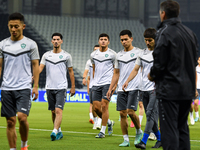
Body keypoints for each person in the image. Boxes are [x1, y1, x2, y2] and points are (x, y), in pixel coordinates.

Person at [148, 1, 198, 150]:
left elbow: (159, 61)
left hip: (169, 90)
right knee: (182, 129)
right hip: (187, 89)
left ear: (163, 13)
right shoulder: (190, 33)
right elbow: (194, 62)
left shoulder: (164, 32)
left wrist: (152, 75)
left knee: (169, 130)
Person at [0, 12, 40, 150]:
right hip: (6, 88)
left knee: (22, 118)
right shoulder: (3, 44)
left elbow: (35, 65)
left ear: (23, 26)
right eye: (11, 26)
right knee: (10, 122)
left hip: (24, 87)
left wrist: (35, 86)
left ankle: (24, 145)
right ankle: (13, 149)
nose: (13, 29)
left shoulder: (31, 44)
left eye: (16, 26)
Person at [122, 28, 161, 149]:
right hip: (143, 88)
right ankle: (160, 139)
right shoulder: (142, 53)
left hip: (156, 88)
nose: (147, 43)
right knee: (151, 117)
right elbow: (135, 69)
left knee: (149, 114)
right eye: (146, 40)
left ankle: (143, 141)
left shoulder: (161, 53)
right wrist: (127, 80)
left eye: (150, 40)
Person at [107, 30, 143, 146]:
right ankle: (126, 139)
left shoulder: (139, 52)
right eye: (122, 40)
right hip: (121, 88)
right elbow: (116, 73)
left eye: (126, 39)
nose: (124, 42)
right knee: (122, 113)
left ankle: (138, 131)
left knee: (131, 112)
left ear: (131, 39)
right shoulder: (119, 55)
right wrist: (110, 88)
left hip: (135, 86)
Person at [39, 33, 75, 141]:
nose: (56, 41)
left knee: (59, 110)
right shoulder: (46, 55)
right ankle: (59, 131)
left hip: (61, 87)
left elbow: (71, 72)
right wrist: (33, 76)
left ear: (61, 41)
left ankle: (54, 131)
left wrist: (73, 87)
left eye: (58, 39)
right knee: (53, 111)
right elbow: (40, 68)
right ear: (51, 41)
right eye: (54, 39)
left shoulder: (66, 56)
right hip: (49, 87)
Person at [91, 33, 115, 138]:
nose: (103, 41)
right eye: (101, 39)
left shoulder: (113, 54)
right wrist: (93, 82)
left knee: (104, 106)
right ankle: (109, 122)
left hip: (108, 83)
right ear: (98, 41)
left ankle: (103, 131)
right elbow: (94, 69)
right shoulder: (93, 55)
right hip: (96, 83)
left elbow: (116, 71)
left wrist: (114, 86)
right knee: (96, 108)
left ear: (108, 42)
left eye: (105, 39)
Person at [82, 45, 102, 129]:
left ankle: (100, 123)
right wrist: (84, 78)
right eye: (94, 50)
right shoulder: (89, 61)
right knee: (94, 105)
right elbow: (86, 71)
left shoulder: (103, 61)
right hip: (92, 86)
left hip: (102, 84)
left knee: (102, 105)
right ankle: (95, 121)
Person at [190, 57, 200, 125]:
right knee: (193, 104)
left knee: (196, 103)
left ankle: (196, 116)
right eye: (199, 60)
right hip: (195, 88)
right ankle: (194, 116)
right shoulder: (195, 68)